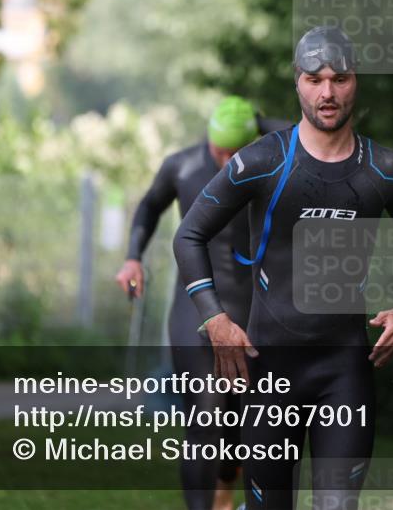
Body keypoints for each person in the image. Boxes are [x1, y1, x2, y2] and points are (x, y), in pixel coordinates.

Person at [173, 26, 393, 509]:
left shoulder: (385, 169)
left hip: (345, 371)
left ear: (355, 80)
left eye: (339, 78)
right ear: (297, 82)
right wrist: (214, 318)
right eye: (314, 79)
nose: (327, 92)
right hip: (271, 373)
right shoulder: (262, 161)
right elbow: (189, 235)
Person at [116, 96, 289, 510]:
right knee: (205, 420)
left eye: (238, 150)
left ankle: (228, 487)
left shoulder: (279, 162)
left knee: (247, 427)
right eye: (220, 151)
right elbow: (148, 207)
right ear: (208, 140)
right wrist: (132, 257)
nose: (229, 159)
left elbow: (316, 134)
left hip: (257, 312)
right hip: (195, 312)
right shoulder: (183, 167)